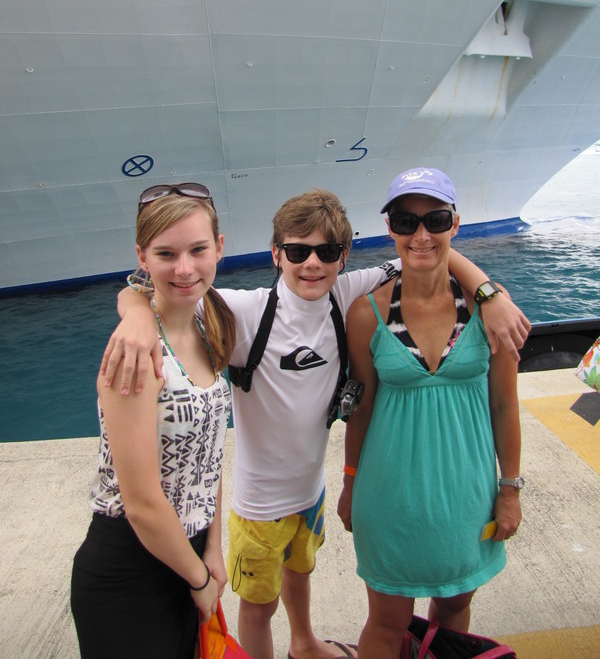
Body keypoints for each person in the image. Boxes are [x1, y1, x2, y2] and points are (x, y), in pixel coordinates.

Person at [101, 188, 530, 659]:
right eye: (297, 251)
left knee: (300, 574)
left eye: (326, 253)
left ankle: (303, 643)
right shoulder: (244, 311)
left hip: (311, 493)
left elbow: (428, 250)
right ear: (275, 254)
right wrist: (136, 312)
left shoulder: (342, 293)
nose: (312, 264)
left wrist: (488, 292)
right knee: (258, 607)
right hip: (258, 505)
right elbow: (164, 292)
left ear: (343, 258)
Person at [337, 168, 523, 659]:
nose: (421, 235)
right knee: (386, 621)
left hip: (467, 498)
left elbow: (505, 405)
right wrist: (350, 484)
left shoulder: (488, 310)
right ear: (390, 230)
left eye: (435, 220)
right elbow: (362, 410)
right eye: (406, 221)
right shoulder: (367, 314)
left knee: (454, 611)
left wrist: (510, 489)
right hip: (389, 498)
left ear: (454, 224)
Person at [70, 183, 236, 659]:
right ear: (142, 256)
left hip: (188, 557)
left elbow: (207, 457)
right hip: (130, 573)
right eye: (166, 254)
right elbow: (141, 504)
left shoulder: (209, 322)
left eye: (198, 250)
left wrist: (212, 548)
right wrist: (199, 578)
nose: (184, 268)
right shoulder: (136, 355)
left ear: (219, 247)